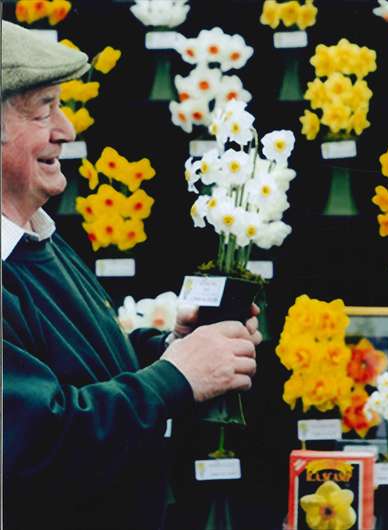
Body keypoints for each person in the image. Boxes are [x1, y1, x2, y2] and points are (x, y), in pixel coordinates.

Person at [2, 21, 262, 530]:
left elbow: (81, 370)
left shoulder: (36, 241)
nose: (66, 130)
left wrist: (172, 350)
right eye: (44, 109)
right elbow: (38, 438)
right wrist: (175, 377)